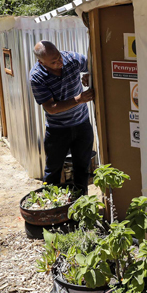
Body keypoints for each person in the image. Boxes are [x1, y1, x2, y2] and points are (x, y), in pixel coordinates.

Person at [30, 40, 95, 194]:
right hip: (57, 130)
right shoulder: (37, 77)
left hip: (82, 124)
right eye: (53, 62)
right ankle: (50, 206)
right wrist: (80, 99)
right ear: (41, 62)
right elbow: (51, 108)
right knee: (53, 170)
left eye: (59, 57)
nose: (60, 62)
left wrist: (89, 75)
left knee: (82, 167)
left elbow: (95, 64)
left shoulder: (71, 58)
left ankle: (81, 204)